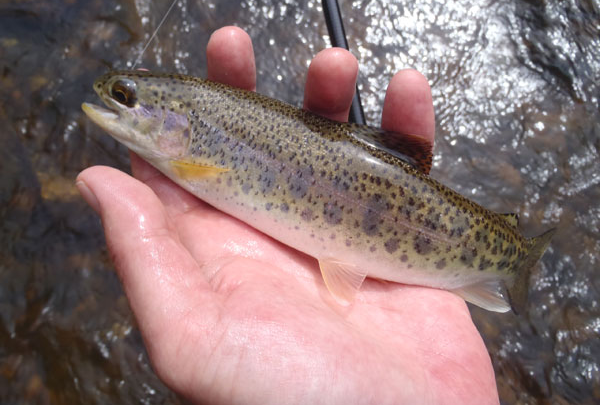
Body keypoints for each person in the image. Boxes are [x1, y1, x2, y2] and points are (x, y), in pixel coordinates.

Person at [76, 26, 499, 404]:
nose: (117, 102)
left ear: (177, 119)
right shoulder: (183, 151)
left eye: (125, 99)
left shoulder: (188, 157)